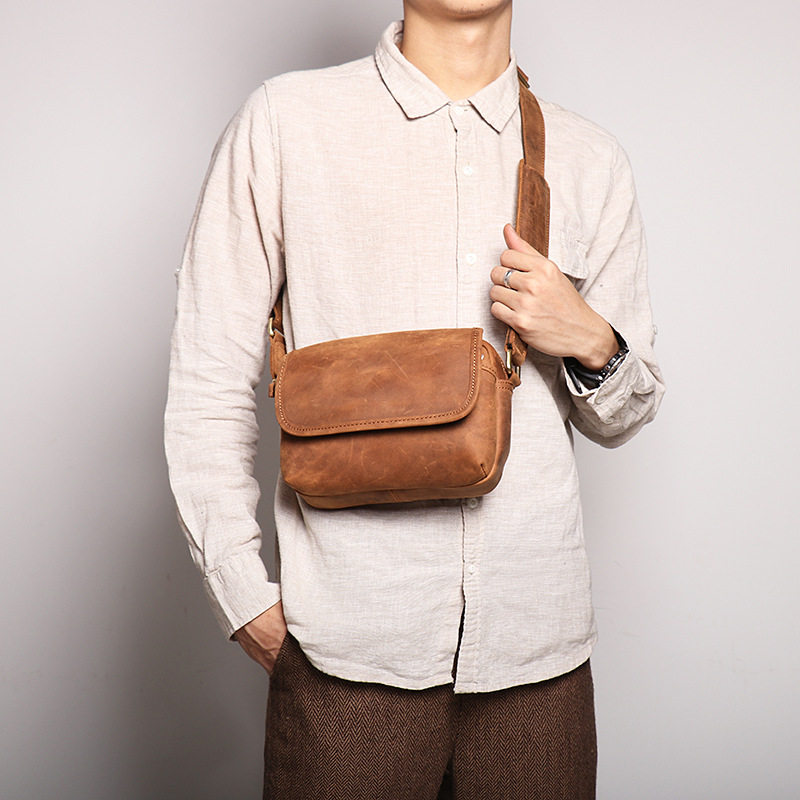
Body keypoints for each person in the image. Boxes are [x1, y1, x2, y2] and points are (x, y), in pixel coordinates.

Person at [164, 1, 665, 797]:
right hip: (345, 657)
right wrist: (242, 595)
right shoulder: (287, 123)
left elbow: (625, 414)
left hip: (539, 660)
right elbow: (207, 377)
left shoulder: (588, 157)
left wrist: (592, 339)